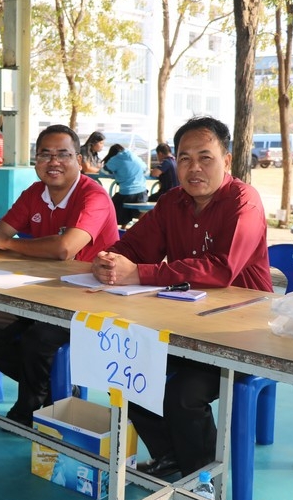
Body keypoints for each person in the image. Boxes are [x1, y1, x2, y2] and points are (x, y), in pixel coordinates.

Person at [91, 116, 272, 478]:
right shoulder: (172, 202)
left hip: (240, 331)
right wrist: (108, 259)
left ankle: (201, 481)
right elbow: (133, 247)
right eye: (185, 159)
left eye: (206, 157)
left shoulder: (244, 202)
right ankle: (171, 456)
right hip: (181, 323)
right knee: (127, 371)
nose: (194, 168)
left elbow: (221, 269)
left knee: (182, 395)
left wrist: (139, 272)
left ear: (227, 161)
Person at [0, 124, 120, 427]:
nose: (53, 162)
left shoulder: (93, 196)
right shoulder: (34, 193)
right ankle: (53, 389)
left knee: (38, 339)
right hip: (41, 291)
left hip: (90, 298)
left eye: (63, 154)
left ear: (79, 160)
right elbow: (1, 231)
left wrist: (7, 243)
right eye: (45, 155)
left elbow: (64, 249)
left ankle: (31, 403)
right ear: (36, 161)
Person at [99, 143, 148, 228]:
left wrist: (116, 174)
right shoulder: (135, 157)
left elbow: (103, 172)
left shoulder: (116, 158)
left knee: (109, 208)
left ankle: (118, 230)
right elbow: (146, 171)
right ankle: (126, 229)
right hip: (142, 193)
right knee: (133, 213)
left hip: (126, 193)